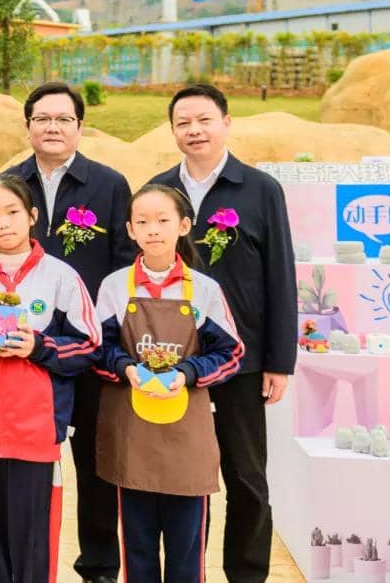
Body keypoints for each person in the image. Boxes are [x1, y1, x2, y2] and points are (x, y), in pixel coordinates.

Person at [149, 83, 297, 583]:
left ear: (226, 123)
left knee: (246, 477)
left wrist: (279, 361)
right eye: (183, 123)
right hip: (173, 361)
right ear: (172, 131)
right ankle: (185, 572)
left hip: (243, 359)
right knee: (182, 477)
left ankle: (247, 574)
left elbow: (280, 277)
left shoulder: (260, 189)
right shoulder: (159, 191)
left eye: (204, 120)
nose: (194, 130)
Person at [0, 175, 101, 583]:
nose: (2, 223)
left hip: (35, 429)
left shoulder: (60, 277)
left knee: (33, 543)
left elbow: (89, 344)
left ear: (32, 216)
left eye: (12, 212)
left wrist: (39, 346)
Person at [2, 81, 135, 583]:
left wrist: (109, 338)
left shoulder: (109, 185)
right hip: (25, 348)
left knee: (96, 460)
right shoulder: (8, 184)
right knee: (29, 462)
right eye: (42, 118)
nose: (52, 127)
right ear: (28, 126)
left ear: (80, 126)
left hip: (89, 346)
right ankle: (28, 563)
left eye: (63, 119)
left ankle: (98, 564)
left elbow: (123, 266)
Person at [94, 184, 244, 583]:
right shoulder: (114, 287)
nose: (153, 229)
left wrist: (186, 373)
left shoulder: (204, 290)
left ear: (184, 226)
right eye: (142, 221)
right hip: (133, 433)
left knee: (186, 548)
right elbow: (99, 348)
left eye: (163, 220)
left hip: (186, 435)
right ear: (130, 230)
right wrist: (127, 368)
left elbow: (230, 353)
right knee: (137, 545)